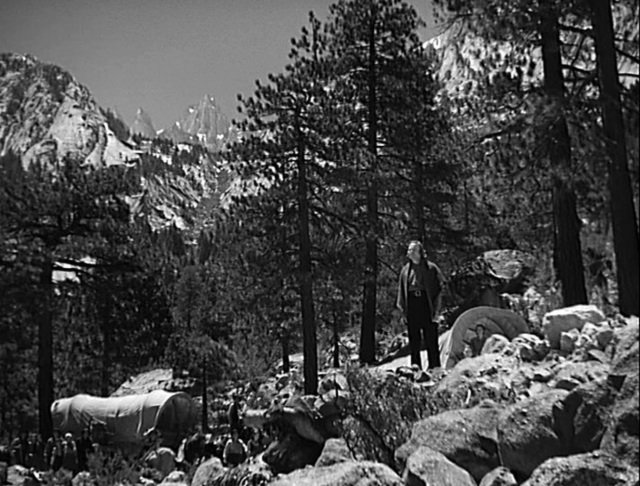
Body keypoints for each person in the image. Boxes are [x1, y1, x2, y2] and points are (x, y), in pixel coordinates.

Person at [396, 240, 444, 370]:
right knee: (414, 340)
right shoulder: (405, 270)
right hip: (412, 305)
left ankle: (435, 368)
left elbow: (439, 289)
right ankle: (415, 368)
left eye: (412, 250)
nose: (409, 252)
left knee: (430, 339)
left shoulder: (431, 268)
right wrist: (403, 312)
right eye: (409, 250)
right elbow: (401, 291)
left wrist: (437, 311)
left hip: (426, 304)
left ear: (420, 253)